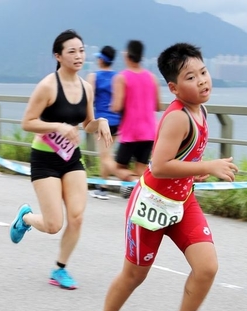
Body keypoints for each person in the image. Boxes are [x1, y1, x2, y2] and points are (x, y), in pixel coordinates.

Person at [88, 43, 238, 311]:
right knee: (134, 276)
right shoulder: (178, 117)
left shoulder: (201, 111)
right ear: (173, 88)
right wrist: (208, 166)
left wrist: (195, 172)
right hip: (151, 206)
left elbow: (182, 159)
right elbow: (158, 166)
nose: (201, 80)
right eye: (190, 77)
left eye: (203, 72)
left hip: (183, 202)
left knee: (207, 267)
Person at [9, 29, 113, 290]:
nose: (79, 56)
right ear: (58, 56)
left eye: (82, 50)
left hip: (71, 159)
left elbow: (87, 123)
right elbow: (27, 122)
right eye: (72, 51)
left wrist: (100, 122)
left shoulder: (86, 88)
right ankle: (26, 218)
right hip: (44, 160)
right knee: (54, 224)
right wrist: (58, 126)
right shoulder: (48, 86)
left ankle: (59, 269)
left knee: (76, 217)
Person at [110, 40, 162, 198]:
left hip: (131, 132)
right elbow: (158, 105)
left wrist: (113, 105)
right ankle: (140, 198)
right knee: (141, 170)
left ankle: (133, 183)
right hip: (149, 132)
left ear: (127, 55)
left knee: (118, 168)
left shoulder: (121, 78)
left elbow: (117, 106)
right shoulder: (152, 78)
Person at [87, 45, 122, 200]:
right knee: (107, 154)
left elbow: (89, 98)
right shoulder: (118, 77)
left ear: (101, 60)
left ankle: (126, 180)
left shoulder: (94, 77)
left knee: (104, 156)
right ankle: (103, 187)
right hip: (117, 121)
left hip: (102, 121)